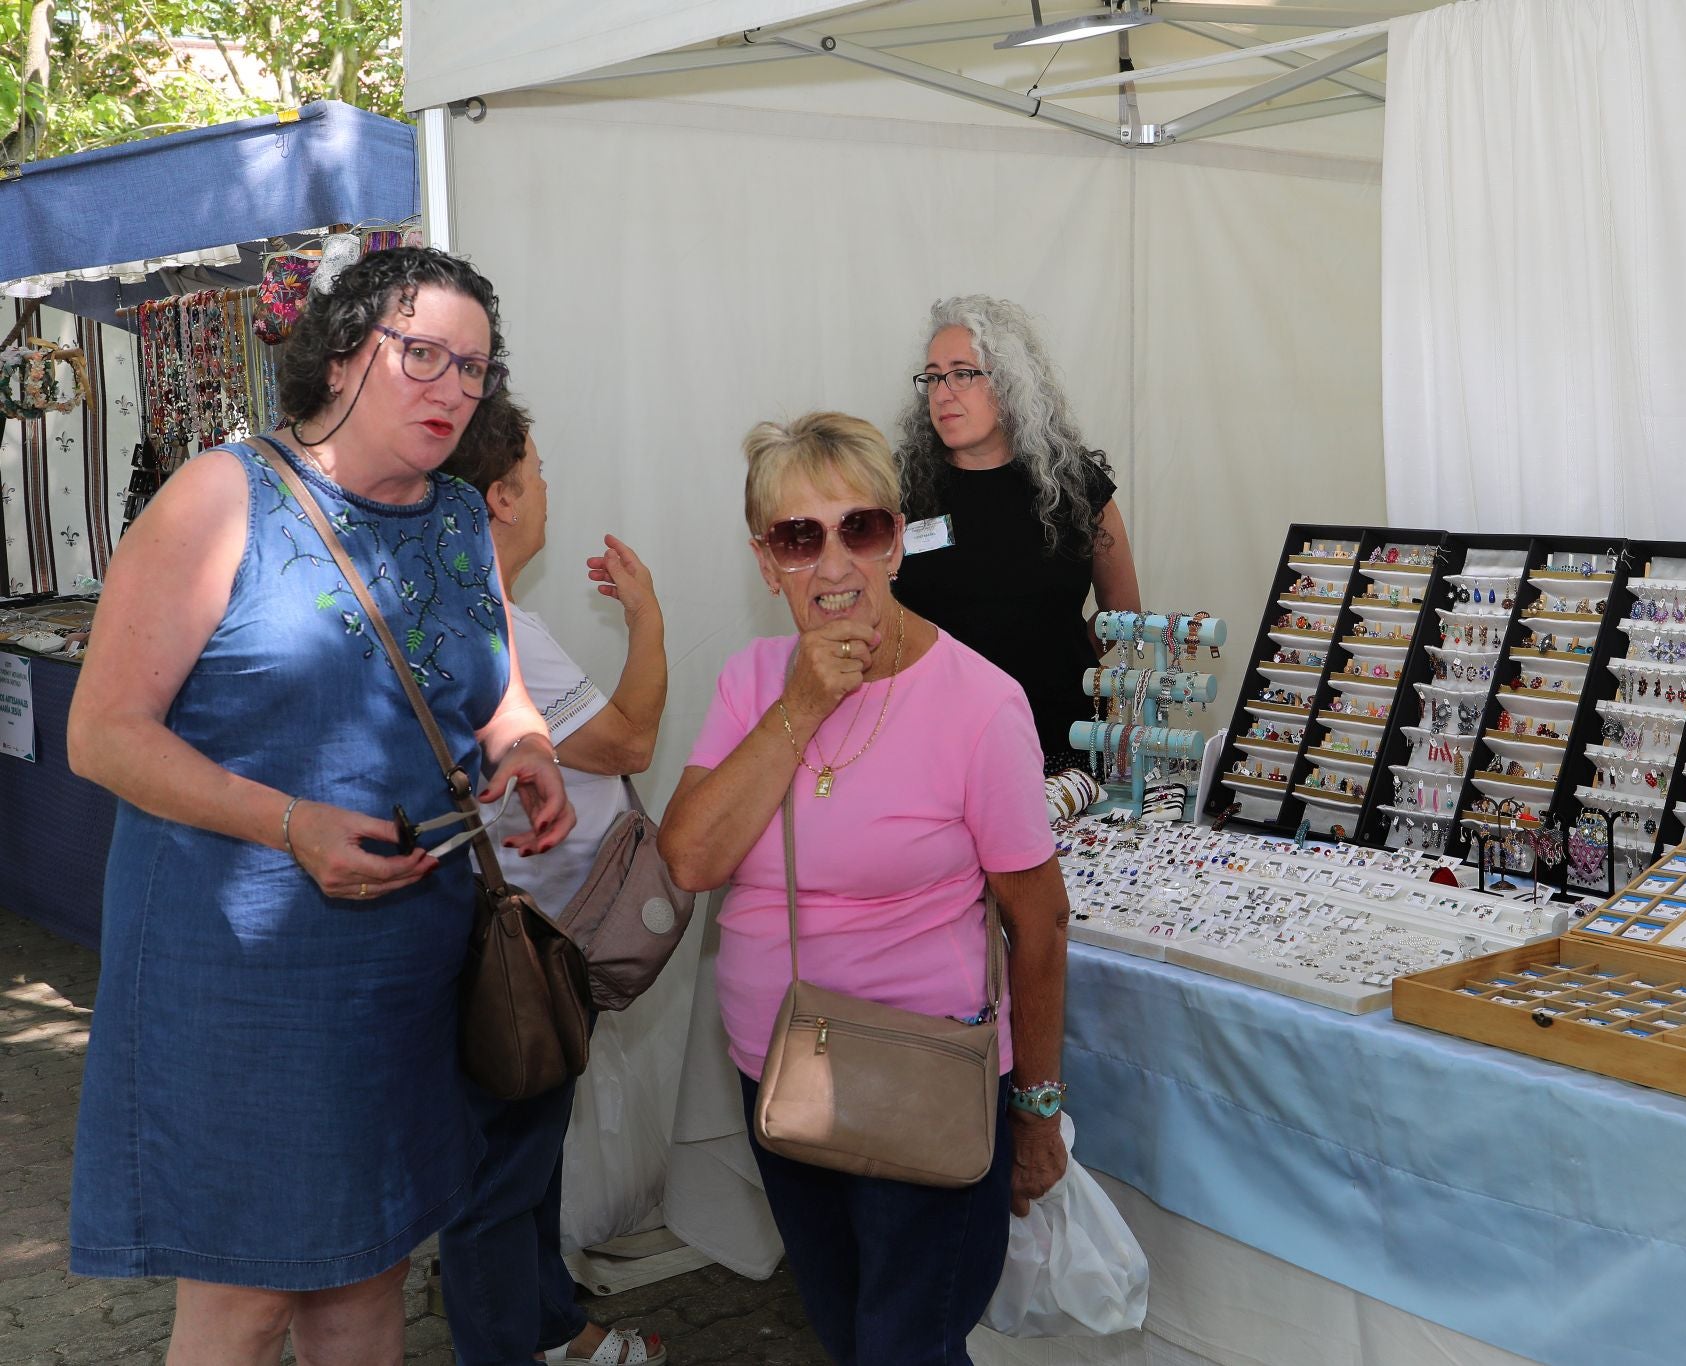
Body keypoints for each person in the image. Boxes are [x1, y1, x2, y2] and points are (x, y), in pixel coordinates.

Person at [65, 247, 576, 1365]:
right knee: (246, 1299)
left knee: (370, 1273)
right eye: (424, 356)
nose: (453, 389)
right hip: (239, 970)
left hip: (405, 967)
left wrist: (526, 745)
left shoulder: (454, 518)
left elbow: (496, 692)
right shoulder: (220, 495)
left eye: (474, 370)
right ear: (343, 354)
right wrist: (287, 824)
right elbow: (101, 734)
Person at [657, 411, 1071, 1365]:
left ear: (898, 541)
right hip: (783, 1075)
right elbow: (690, 860)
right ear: (768, 562)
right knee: (850, 1336)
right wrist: (799, 710)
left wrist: (1038, 1109)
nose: (835, 563)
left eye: (863, 528)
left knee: (902, 1347)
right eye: (802, 537)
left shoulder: (979, 702)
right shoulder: (753, 679)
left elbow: (1039, 926)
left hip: (927, 1080)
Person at [437, 397, 670, 1366]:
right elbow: (629, 738)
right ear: (501, 497)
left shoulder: (479, 612)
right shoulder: (495, 624)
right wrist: (649, 616)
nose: (547, 491)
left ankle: (553, 1330)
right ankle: (513, 1341)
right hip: (517, 945)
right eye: (537, 472)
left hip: (537, 939)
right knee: (499, 1175)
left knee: (526, 1150)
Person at [892, 295, 1142, 774]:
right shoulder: (900, 492)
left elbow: (1123, 615)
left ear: (1009, 383)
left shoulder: (1076, 487)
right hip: (933, 748)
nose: (943, 392)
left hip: (1058, 741)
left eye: (962, 373)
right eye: (933, 377)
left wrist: (1056, 659)